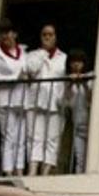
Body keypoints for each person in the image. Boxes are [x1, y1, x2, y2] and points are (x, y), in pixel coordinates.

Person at [0, 18, 27, 177]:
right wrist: (16, 77)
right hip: (4, 99)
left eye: (8, 33)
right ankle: (8, 171)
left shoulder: (23, 52)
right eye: (1, 33)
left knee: (21, 137)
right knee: (9, 136)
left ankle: (19, 170)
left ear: (14, 34)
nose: (5, 37)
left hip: (21, 100)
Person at [24, 24, 68, 176]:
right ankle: (33, 169)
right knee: (35, 137)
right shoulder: (32, 55)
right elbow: (31, 70)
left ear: (56, 37)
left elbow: (65, 80)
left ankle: (46, 171)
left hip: (55, 103)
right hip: (35, 102)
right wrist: (43, 53)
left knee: (52, 138)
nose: (47, 37)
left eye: (51, 34)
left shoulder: (64, 58)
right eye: (44, 34)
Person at [63, 48, 93, 173]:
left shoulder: (91, 76)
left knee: (90, 159)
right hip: (77, 127)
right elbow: (65, 103)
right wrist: (70, 84)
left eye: (79, 62)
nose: (76, 65)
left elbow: (91, 101)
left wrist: (84, 84)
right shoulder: (67, 80)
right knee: (79, 159)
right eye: (73, 62)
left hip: (91, 126)